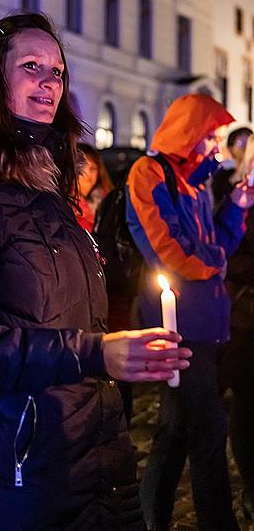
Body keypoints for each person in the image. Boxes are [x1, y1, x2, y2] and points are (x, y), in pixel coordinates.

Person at [0, 13, 191, 531]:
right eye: (32, 66)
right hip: (9, 477)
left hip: (67, 459)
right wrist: (98, 352)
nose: (50, 82)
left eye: (58, 71)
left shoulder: (44, 189)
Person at [126, 94, 253, 531]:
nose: (215, 148)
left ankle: (149, 518)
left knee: (176, 431)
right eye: (209, 138)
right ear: (189, 135)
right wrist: (214, 261)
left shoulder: (196, 183)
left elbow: (218, 241)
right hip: (180, 327)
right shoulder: (149, 174)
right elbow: (169, 250)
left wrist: (235, 209)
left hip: (207, 323)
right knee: (208, 433)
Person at [213, 132, 254, 521]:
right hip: (245, 315)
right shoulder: (238, 195)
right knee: (247, 400)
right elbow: (226, 254)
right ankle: (252, 487)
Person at [74, 141, 113, 232]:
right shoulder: (64, 205)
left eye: (93, 169)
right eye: (82, 168)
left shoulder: (108, 202)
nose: (88, 175)